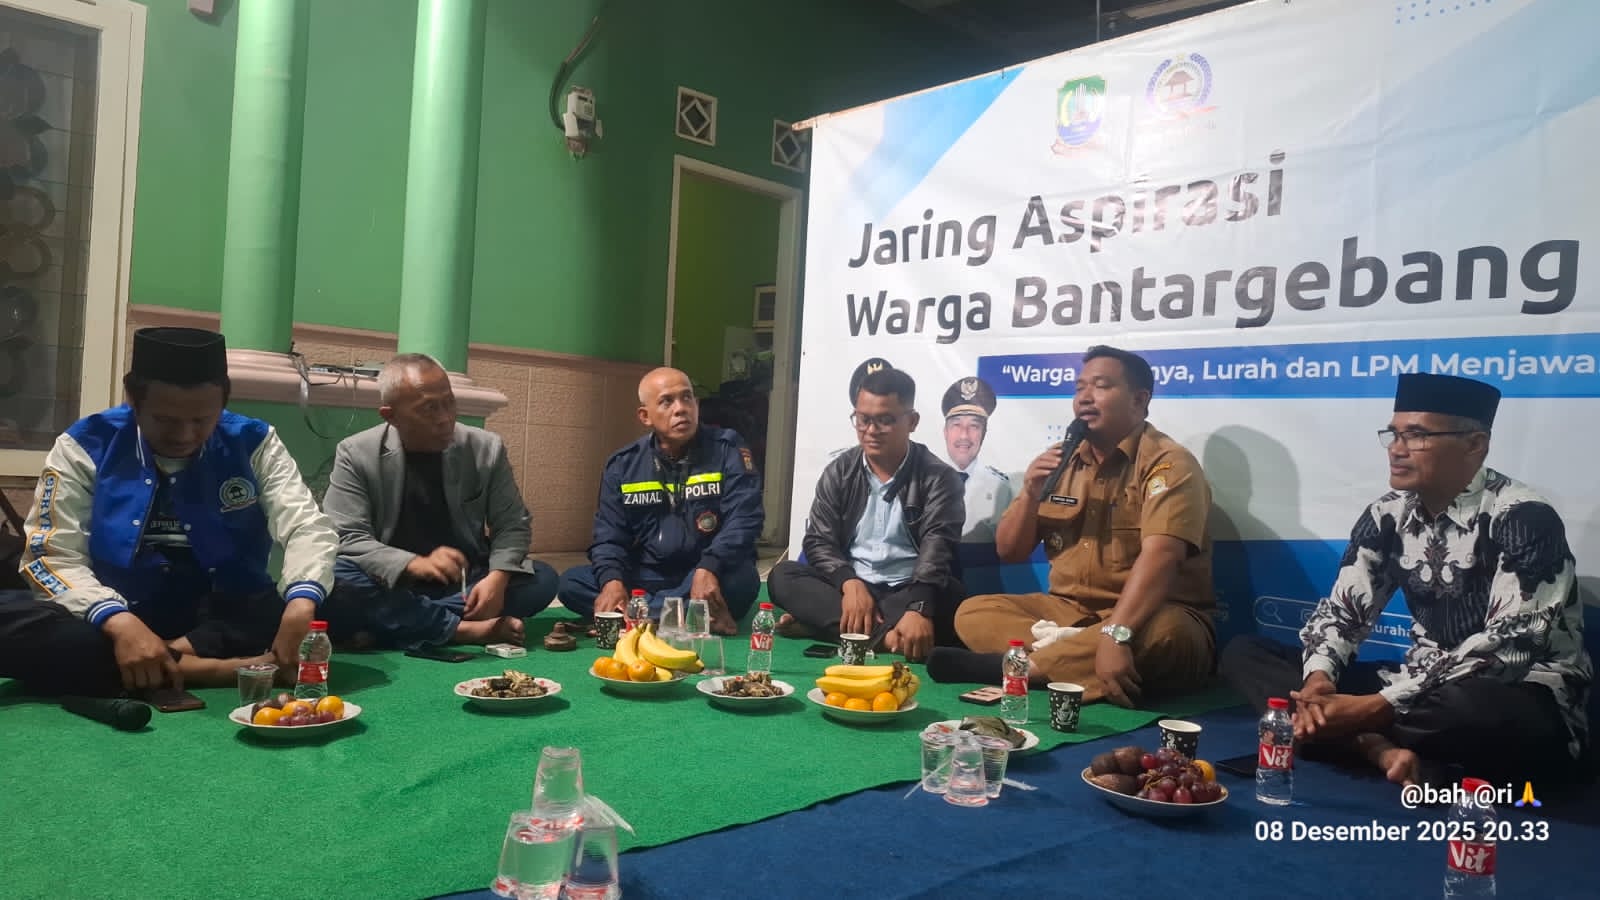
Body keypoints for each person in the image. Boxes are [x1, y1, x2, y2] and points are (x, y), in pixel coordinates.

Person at [1220, 373, 1592, 788]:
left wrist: (1376, 706)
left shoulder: (1523, 517)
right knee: (1246, 653)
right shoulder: (1387, 514)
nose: (1396, 450)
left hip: (1516, 693)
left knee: (1471, 707)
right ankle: (1377, 748)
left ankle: (1348, 735)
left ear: (1475, 444)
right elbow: (1344, 614)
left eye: (1416, 436)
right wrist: (1319, 680)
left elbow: (1508, 646)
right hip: (1417, 684)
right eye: (1393, 435)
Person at [0, 327, 338, 696]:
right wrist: (117, 620)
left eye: (201, 420)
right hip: (116, 615)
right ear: (133, 399)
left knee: (320, 598)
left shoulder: (254, 442)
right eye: (165, 420)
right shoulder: (84, 445)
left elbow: (306, 526)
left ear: (223, 402)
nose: (184, 435)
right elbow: (52, 556)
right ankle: (206, 668)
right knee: (27, 621)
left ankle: (155, 661)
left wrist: (301, 605)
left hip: (221, 615)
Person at [931, 345, 1216, 707]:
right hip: (1067, 613)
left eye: (1101, 386)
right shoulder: (1062, 459)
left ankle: (1027, 668)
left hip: (1148, 614)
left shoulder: (1169, 464)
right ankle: (1075, 657)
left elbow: (1162, 557)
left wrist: (1115, 633)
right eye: (1080, 388)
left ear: (1139, 400)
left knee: (1170, 633)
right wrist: (1031, 493)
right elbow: (1010, 551)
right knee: (972, 612)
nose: (1085, 397)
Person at [320, 354, 559, 649]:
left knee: (543, 579)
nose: (445, 418)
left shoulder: (485, 448)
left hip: (463, 584)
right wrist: (413, 563)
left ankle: (397, 624)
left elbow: (512, 524)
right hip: (391, 582)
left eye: (449, 403)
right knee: (334, 576)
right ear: (390, 416)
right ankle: (459, 629)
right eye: (429, 408)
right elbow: (347, 537)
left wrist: (498, 579)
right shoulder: (356, 454)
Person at [767, 367, 966, 662]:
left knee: (953, 598)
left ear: (911, 422)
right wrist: (850, 583)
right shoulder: (840, 471)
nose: (871, 430)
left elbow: (938, 548)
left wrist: (919, 608)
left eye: (885, 420)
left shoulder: (939, 477)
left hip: (908, 589)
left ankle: (831, 627)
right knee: (783, 576)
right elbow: (819, 541)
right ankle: (887, 639)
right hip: (852, 588)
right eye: (863, 419)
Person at [558, 367, 762, 635]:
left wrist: (709, 566)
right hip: (647, 575)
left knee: (742, 582)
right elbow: (608, 536)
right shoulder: (623, 465)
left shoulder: (728, 449)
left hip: (705, 571)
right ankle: (684, 615)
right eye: (667, 401)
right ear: (645, 416)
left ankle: (640, 616)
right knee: (572, 583)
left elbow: (745, 519)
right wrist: (612, 581)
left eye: (687, 398)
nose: (681, 409)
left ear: (697, 405)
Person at [941, 375, 1015, 542]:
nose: (964, 435)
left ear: (984, 433)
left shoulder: (1000, 487)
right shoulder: (923, 481)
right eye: (956, 425)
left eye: (974, 426)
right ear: (945, 432)